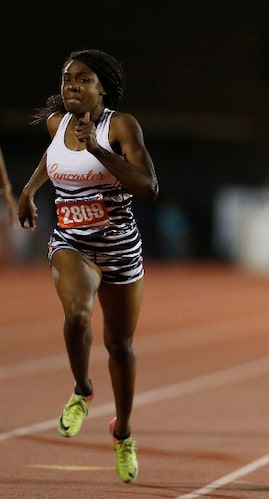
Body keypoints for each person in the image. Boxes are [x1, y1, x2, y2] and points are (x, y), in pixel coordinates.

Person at [18, 49, 158, 482]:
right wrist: (29, 189)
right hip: (71, 244)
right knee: (77, 316)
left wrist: (98, 149)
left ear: (102, 88)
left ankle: (124, 433)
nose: (72, 87)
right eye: (66, 80)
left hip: (119, 247)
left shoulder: (120, 126)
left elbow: (148, 186)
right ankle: (82, 390)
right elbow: (52, 157)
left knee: (120, 346)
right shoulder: (56, 124)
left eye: (82, 79)